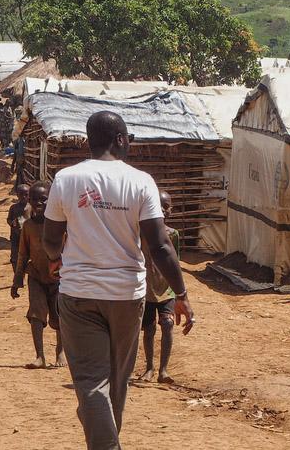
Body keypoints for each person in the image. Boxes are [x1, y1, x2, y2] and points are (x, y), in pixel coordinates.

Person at [43, 111, 195, 450]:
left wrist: (56, 259)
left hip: (78, 294)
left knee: (90, 383)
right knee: (116, 382)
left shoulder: (65, 179)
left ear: (88, 141)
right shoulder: (141, 182)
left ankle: (103, 442)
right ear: (121, 140)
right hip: (127, 296)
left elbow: (50, 239)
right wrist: (181, 293)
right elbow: (159, 244)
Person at [11, 181, 64, 369]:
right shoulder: (28, 226)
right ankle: (40, 356)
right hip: (36, 276)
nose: (38, 203)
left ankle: (60, 353)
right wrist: (17, 280)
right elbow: (23, 254)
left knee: (60, 317)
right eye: (34, 200)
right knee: (35, 315)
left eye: (43, 199)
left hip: (59, 279)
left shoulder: (60, 226)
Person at [139, 191, 180, 384]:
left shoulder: (173, 235)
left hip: (167, 289)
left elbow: (175, 263)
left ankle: (163, 370)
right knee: (148, 329)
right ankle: (149, 367)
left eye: (167, 206)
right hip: (146, 288)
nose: (164, 210)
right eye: (160, 205)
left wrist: (179, 292)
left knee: (168, 324)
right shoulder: (141, 233)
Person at [7, 184, 32, 269]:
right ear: (17, 195)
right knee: (15, 258)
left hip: (29, 237)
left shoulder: (31, 207)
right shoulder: (13, 208)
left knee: (30, 257)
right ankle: (17, 277)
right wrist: (12, 223)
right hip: (15, 237)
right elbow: (9, 219)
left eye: (26, 194)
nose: (23, 197)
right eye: (21, 194)